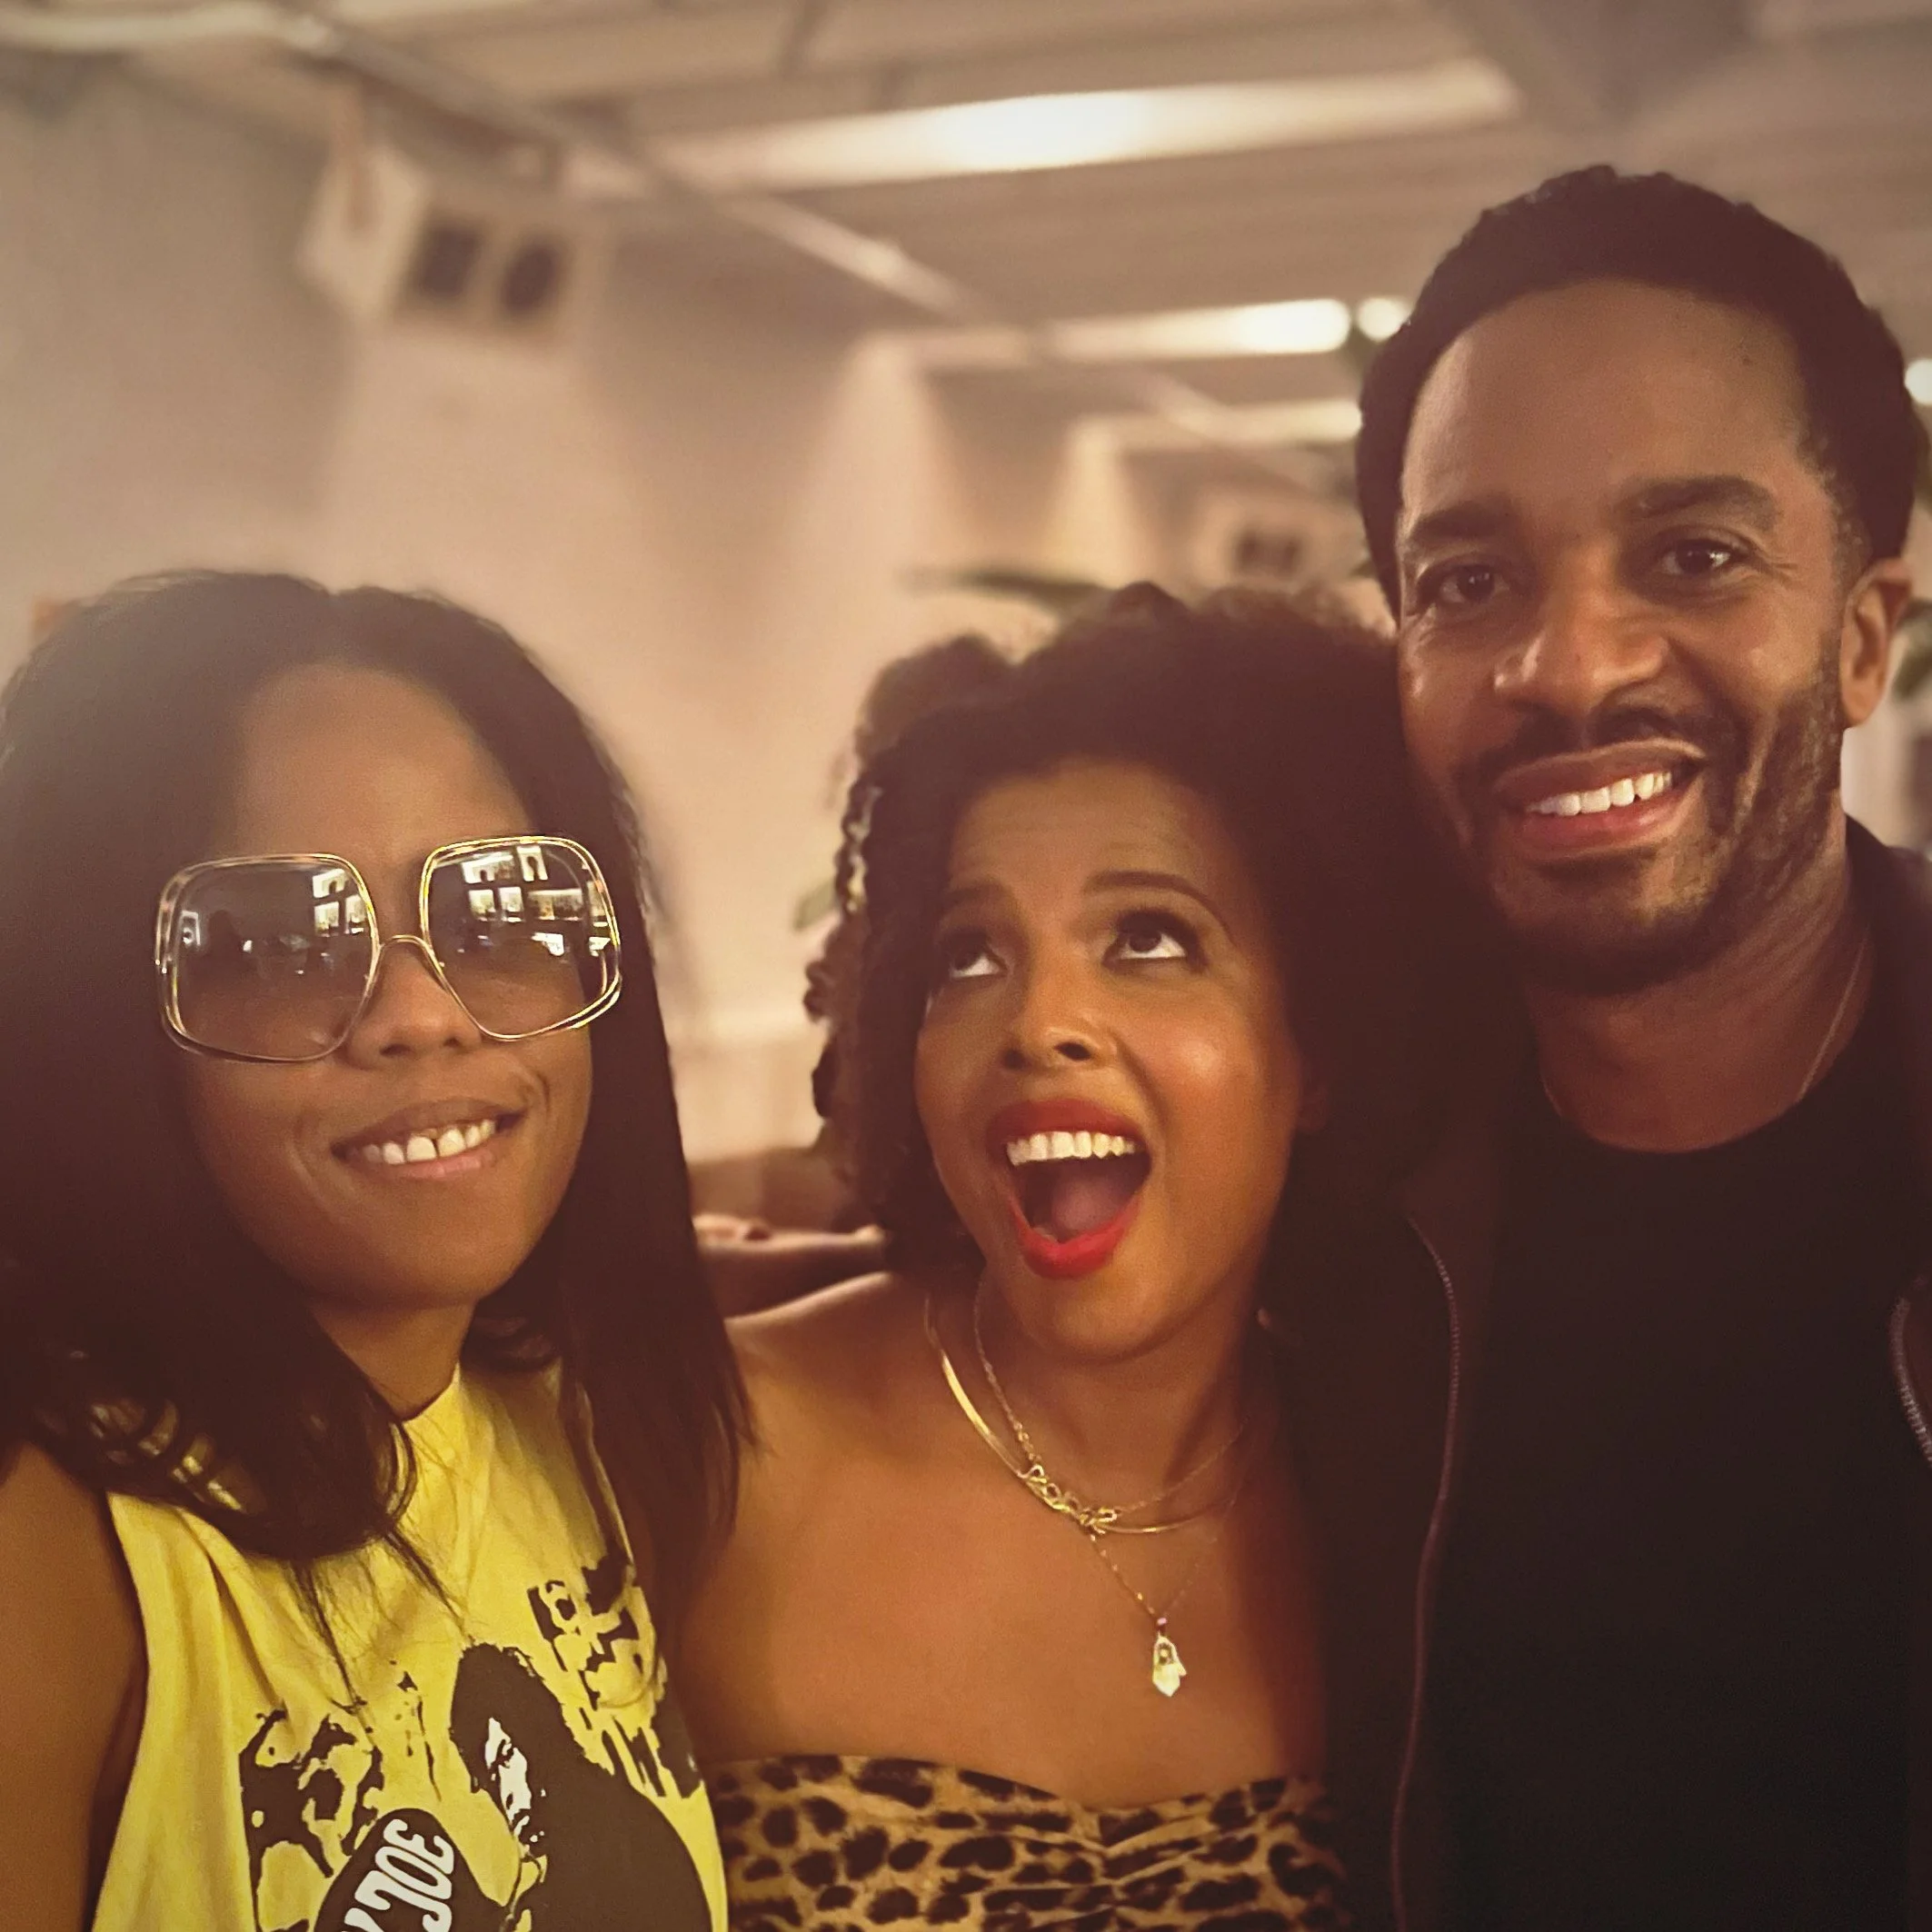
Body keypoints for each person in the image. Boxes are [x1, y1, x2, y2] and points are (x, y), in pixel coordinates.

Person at [1302, 166, 1932, 1929]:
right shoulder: (1321, 1202)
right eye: (1470, 578)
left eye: (1692, 556)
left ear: (1861, 633)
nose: (1567, 666)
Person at [682, 586, 1452, 1930]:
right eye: (969, 956)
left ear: (1316, 1045)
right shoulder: (708, 1449)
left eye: (1147, 938)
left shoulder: (1403, 1504)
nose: (1040, 1021)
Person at [0, 572, 742, 1930]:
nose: (419, 1014)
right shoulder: (60, 1558)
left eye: (499, 912)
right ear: (99, 1013)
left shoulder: (587, 1434)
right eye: (278, 945)